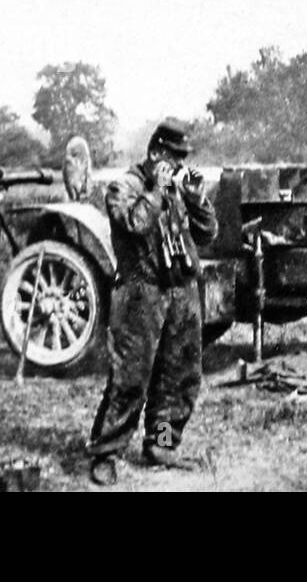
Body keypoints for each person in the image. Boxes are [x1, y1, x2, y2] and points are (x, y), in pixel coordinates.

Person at [87, 119, 218, 486]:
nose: (179, 164)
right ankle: (105, 452)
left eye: (183, 158)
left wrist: (197, 198)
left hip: (181, 290)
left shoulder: (175, 188)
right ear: (156, 152)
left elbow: (208, 234)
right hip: (141, 292)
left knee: (179, 375)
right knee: (130, 376)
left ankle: (161, 445)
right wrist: (158, 191)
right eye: (174, 157)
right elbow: (135, 222)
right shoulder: (124, 186)